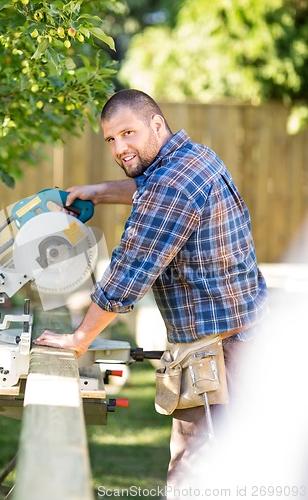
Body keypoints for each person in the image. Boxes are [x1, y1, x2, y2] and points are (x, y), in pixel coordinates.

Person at [34, 89, 268, 493]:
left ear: (156, 124)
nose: (120, 147)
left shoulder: (170, 188)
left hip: (217, 358)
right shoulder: (195, 158)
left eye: (128, 133)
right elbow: (150, 187)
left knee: (197, 477)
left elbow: (127, 276)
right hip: (246, 338)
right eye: (110, 139)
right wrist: (99, 192)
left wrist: (79, 339)